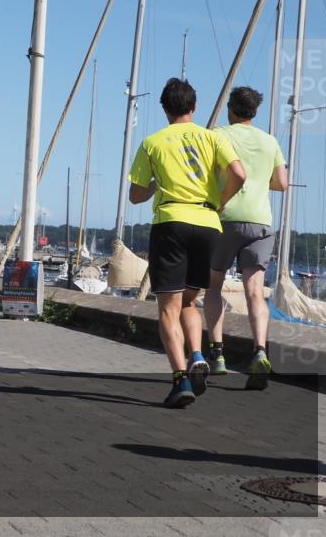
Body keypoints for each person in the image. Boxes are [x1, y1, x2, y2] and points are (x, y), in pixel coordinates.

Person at [128, 78, 245, 408]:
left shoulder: (153, 143)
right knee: (189, 301)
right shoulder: (212, 138)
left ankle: (180, 380)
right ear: (194, 107)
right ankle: (196, 353)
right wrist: (219, 202)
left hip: (171, 223)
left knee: (167, 307)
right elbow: (239, 174)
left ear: (165, 108)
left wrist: (153, 185)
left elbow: (136, 195)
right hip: (207, 223)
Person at [205, 87, 287, 389]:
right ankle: (260, 351)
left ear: (231, 108)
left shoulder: (218, 135)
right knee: (255, 291)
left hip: (224, 218)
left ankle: (218, 356)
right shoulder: (270, 141)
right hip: (260, 221)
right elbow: (281, 183)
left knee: (213, 285)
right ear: (255, 111)